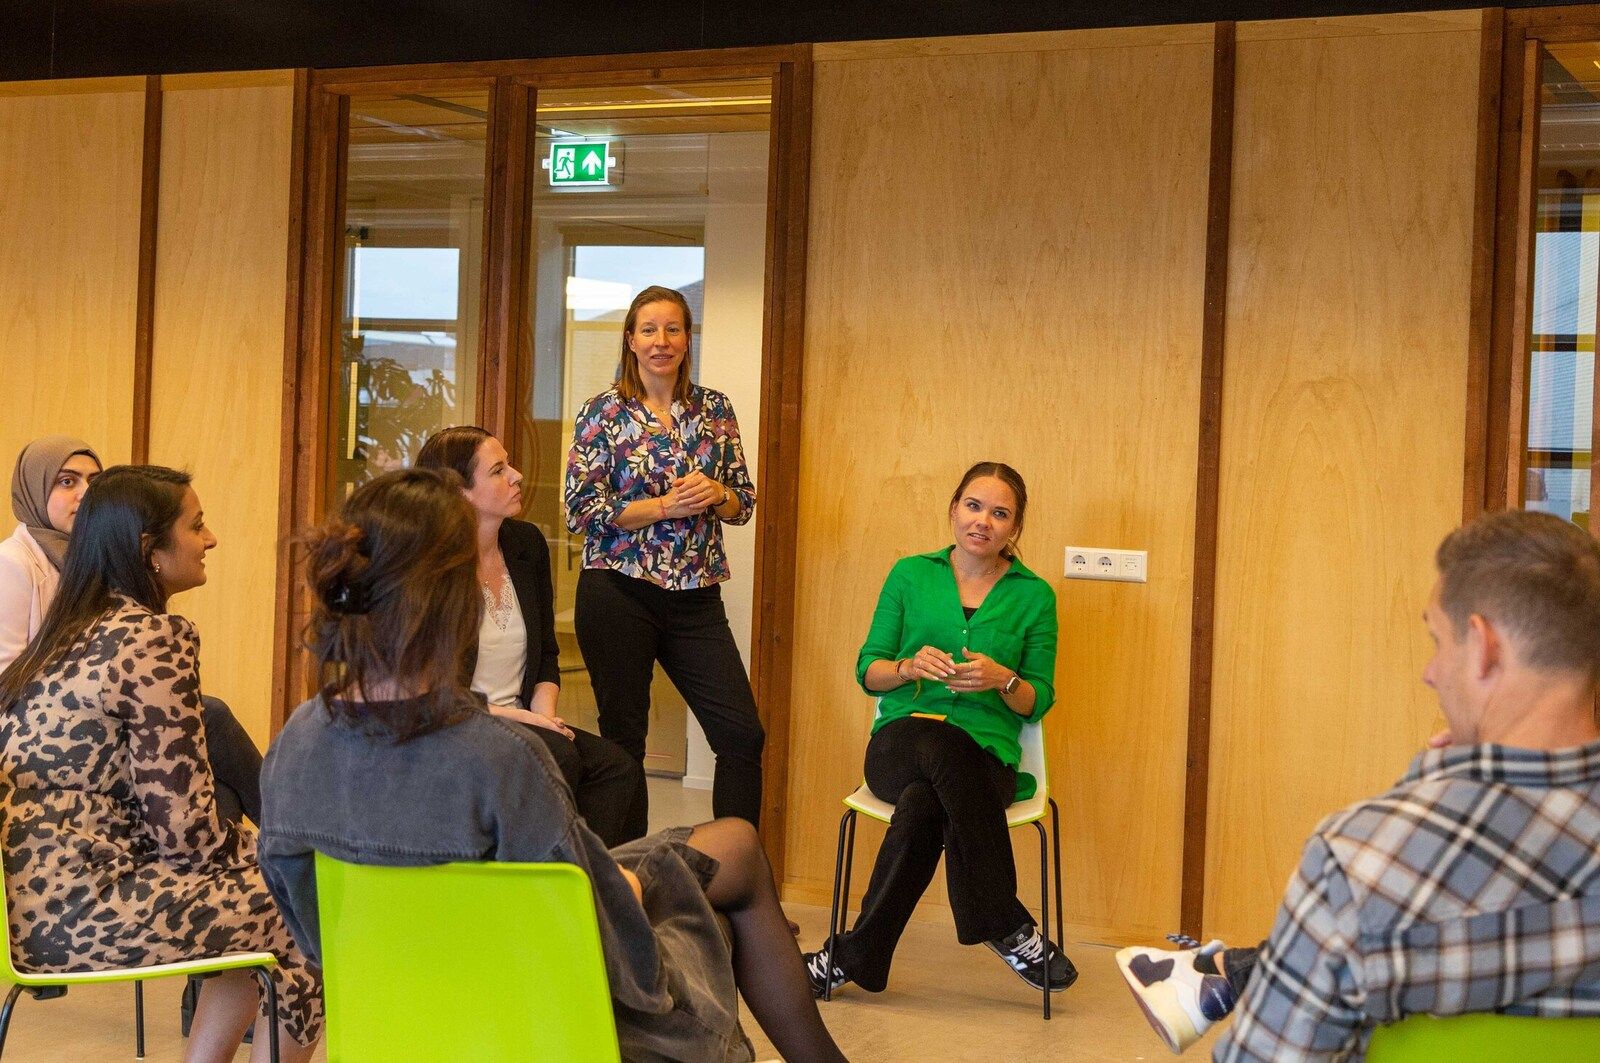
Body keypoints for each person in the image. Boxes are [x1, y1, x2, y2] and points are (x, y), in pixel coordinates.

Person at [258, 468, 848, 1063]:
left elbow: (311, 931)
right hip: (538, 1019)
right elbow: (610, 955)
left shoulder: (296, 744)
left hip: (409, 1019)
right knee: (711, 915)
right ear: (455, 597)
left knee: (736, 843)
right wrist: (636, 891)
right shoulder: (496, 761)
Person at [1118, 509, 1600, 1059]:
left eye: (1438, 641)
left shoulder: (1361, 859)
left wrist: (1431, 794)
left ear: (1484, 646)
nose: (1431, 672)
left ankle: (1212, 974)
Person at [0, 465, 322, 1063]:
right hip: (93, 909)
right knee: (306, 905)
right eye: (197, 526)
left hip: (37, 912)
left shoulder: (70, 631)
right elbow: (187, 838)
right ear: (150, 551)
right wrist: (276, 855)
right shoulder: (151, 638)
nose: (211, 539)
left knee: (265, 894)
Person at [803, 461, 1076, 998]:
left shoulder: (1035, 596)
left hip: (986, 760)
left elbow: (1036, 700)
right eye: (974, 507)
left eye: (1001, 514)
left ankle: (855, 955)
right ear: (953, 510)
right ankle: (1000, 919)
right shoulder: (910, 573)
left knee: (925, 804)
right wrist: (905, 669)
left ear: (1014, 528)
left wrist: (1004, 679)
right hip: (900, 745)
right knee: (936, 746)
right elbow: (868, 670)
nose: (983, 522)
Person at [564, 284, 764, 827]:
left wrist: (716, 495)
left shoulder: (715, 409)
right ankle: (628, 885)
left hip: (696, 597)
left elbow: (743, 502)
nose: (661, 341)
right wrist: (661, 506)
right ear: (630, 340)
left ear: (686, 338)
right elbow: (580, 509)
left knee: (742, 735)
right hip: (617, 593)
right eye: (649, 330)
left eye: (672, 329)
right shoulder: (603, 412)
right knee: (625, 744)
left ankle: (736, 886)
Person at [1, 436, 261, 827]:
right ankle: (302, 849)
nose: (83, 493)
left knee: (220, 793)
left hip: (83, 736)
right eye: (67, 481)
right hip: (44, 753)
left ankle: (297, 850)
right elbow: (11, 685)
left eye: (93, 480)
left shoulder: (88, 562)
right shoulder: (13, 564)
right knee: (214, 719)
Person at [417, 425, 647, 847]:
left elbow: (546, 652)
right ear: (460, 492)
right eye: (499, 470)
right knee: (556, 755)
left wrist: (545, 713)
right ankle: (547, 885)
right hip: (459, 722)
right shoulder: (430, 570)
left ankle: (596, 886)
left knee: (619, 767)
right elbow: (437, 693)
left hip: (523, 716)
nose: (518, 475)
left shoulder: (525, 544)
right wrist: (530, 721)